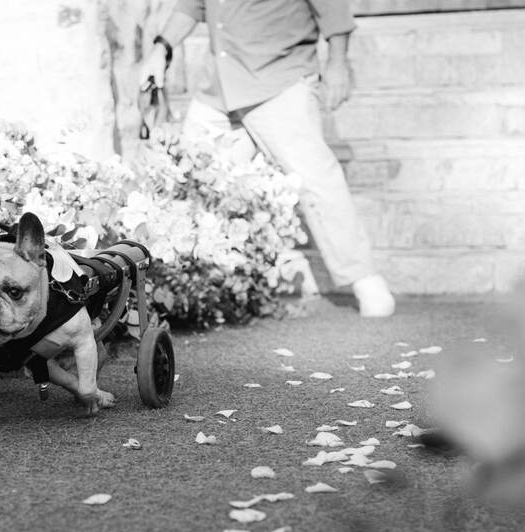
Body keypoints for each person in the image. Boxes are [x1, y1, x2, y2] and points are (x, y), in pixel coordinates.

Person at [140, 0, 396, 318]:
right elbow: (192, 6)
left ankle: (365, 280)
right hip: (219, 87)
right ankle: (182, 290)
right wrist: (160, 49)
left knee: (316, 179)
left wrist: (338, 63)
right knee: (189, 186)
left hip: (279, 80)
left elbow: (331, 6)